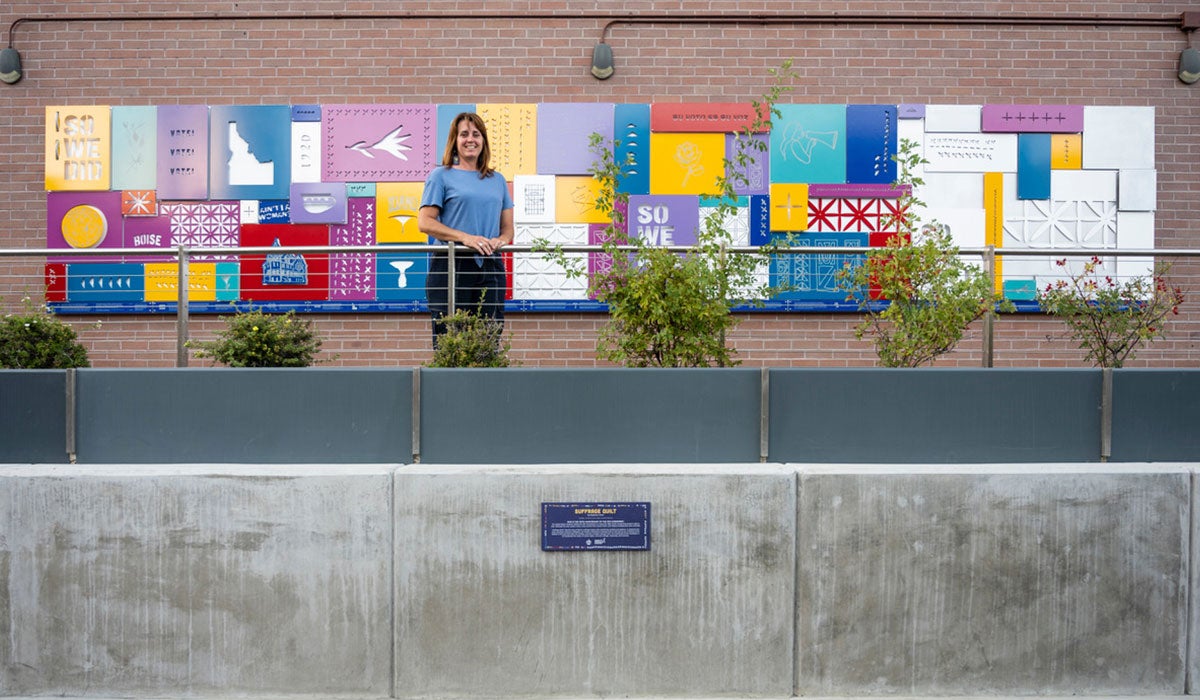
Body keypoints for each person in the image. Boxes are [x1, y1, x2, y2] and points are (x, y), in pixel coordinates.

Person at [418, 112, 515, 346]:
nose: (470, 139)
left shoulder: (498, 180)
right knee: (450, 338)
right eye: (464, 134)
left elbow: (508, 230)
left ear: (483, 141)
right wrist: (466, 238)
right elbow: (425, 222)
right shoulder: (440, 176)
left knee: (488, 337)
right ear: (455, 140)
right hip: (452, 263)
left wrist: (499, 241)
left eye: (476, 134)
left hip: (490, 263)